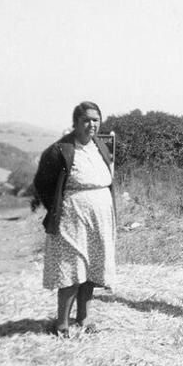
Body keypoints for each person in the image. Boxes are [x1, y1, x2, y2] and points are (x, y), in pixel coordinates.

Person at [34, 101, 117, 337]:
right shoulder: (60, 149)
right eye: (86, 120)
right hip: (72, 218)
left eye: (95, 120)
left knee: (91, 268)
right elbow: (42, 184)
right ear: (75, 123)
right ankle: (62, 323)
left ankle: (83, 317)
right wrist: (58, 208)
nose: (91, 124)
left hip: (99, 219)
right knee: (71, 269)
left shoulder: (99, 145)